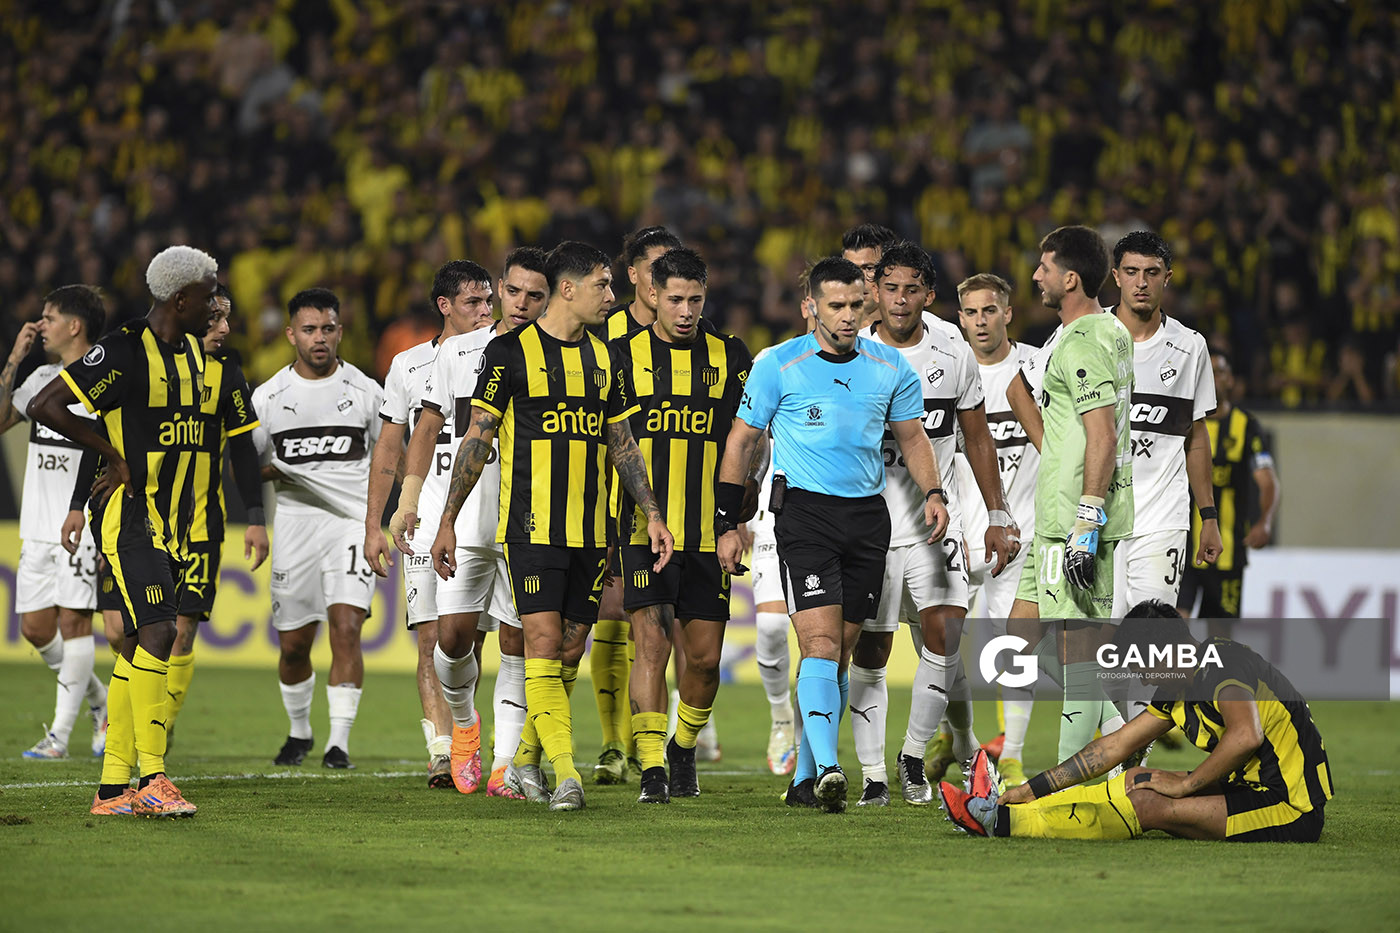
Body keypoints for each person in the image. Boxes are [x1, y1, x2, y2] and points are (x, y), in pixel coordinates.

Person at [428, 241, 674, 812]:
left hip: (590, 532)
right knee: (539, 642)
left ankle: (522, 764)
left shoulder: (604, 358)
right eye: (602, 285)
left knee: (567, 652)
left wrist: (652, 514)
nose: (612, 297)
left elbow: (622, 443)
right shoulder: (509, 354)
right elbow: (477, 439)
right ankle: (567, 776)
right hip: (531, 528)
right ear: (569, 289)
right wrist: (447, 522)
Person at [715, 256, 950, 814]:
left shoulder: (889, 365)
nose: (848, 317)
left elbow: (913, 438)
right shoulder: (778, 364)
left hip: (869, 518)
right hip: (805, 517)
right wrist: (728, 522)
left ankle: (803, 777)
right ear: (810, 308)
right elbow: (741, 441)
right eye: (835, 306)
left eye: (855, 306)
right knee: (819, 645)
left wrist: (934, 492)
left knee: (841, 653)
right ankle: (828, 767)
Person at [29, 245, 220, 817]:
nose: (214, 305)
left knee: (139, 645)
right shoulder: (122, 350)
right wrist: (110, 453)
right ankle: (154, 778)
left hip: (173, 522)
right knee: (160, 634)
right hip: (130, 517)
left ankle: (112, 789)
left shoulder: (190, 352)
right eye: (208, 294)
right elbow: (47, 404)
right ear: (180, 298)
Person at [846, 243, 1016, 808]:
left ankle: (912, 758)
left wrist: (995, 513)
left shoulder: (953, 349)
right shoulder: (852, 349)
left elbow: (976, 436)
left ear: (929, 294)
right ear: (875, 292)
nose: (898, 300)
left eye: (910, 289)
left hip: (933, 522)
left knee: (945, 635)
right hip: (867, 524)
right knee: (870, 652)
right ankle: (871, 773)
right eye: (889, 288)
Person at [940, 600, 1333, 843]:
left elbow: (1246, 735)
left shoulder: (1223, 666)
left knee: (1146, 804)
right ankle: (1009, 810)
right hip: (1246, 787)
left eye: (1142, 666)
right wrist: (1033, 788)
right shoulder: (1180, 685)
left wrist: (1188, 783)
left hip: (1288, 806)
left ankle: (1003, 825)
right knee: (1133, 780)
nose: (1142, 678)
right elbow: (1113, 747)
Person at [390, 248, 550, 800]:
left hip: (534, 521)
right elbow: (427, 428)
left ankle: (504, 765)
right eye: (514, 293)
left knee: (517, 641)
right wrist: (411, 502)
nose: (523, 305)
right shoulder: (459, 353)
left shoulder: (563, 357)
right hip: (470, 518)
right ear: (501, 290)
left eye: (537, 295)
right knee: (453, 640)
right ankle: (464, 726)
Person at [611, 247, 754, 803]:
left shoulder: (730, 355)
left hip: (709, 531)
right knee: (650, 645)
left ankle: (683, 747)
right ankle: (651, 768)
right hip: (646, 528)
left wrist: (739, 515)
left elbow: (751, 439)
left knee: (705, 659)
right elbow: (615, 445)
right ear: (652, 295)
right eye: (675, 299)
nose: (687, 310)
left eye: (696, 299)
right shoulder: (621, 355)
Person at [363, 260, 496, 790]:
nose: (485, 311)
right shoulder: (408, 365)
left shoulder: (503, 356)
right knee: (430, 638)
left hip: (480, 516)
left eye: (489, 302)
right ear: (444, 305)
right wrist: (377, 522)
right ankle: (442, 751)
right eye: (473, 303)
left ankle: (467, 733)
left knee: (468, 642)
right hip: (425, 518)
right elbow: (390, 446)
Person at [253, 288, 384, 770]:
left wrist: (380, 521)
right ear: (291, 334)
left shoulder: (367, 392)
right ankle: (300, 731)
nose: (319, 338)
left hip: (351, 526)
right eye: (309, 329)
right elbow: (248, 463)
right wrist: (268, 480)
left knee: (347, 628)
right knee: (293, 645)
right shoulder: (268, 397)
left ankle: (339, 745)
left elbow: (388, 457)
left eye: (328, 328)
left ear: (340, 331)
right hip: (294, 523)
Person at [1025, 225, 1134, 762]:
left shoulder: (1085, 340)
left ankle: (1059, 786)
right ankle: (1121, 740)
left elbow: (1102, 433)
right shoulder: (1102, 332)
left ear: (1070, 278)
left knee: (1078, 657)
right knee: (1022, 633)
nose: (1035, 276)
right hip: (1056, 515)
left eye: (1044, 268)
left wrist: (1087, 518)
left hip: (1075, 518)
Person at [591, 225, 689, 782]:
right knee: (610, 612)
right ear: (634, 275)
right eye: (655, 269)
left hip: (677, 506)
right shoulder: (605, 335)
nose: (664, 283)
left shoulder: (693, 336)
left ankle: (645, 742)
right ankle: (613, 745)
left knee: (659, 627)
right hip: (610, 500)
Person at [2, 286, 108, 759]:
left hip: (80, 523)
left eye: (48, 318)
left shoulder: (105, 379)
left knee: (74, 621)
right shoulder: (43, 376)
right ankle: (101, 702)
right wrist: (13, 360)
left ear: (74, 326)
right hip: (37, 524)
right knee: (37, 631)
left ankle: (59, 738)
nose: (39, 325)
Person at [160, 284, 268, 748]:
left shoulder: (227, 375)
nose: (224, 328)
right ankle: (131, 716)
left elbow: (243, 452)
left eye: (227, 319)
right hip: (144, 523)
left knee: (183, 630)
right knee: (141, 631)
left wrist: (257, 518)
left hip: (204, 524)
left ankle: (158, 728)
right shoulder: (152, 366)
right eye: (215, 319)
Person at [953, 272, 1040, 787]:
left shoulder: (1036, 368)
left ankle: (1013, 756)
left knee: (1014, 647)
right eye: (970, 312)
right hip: (958, 537)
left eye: (989, 311)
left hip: (1019, 532)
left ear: (1007, 313)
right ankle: (959, 739)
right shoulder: (947, 370)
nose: (980, 321)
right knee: (940, 644)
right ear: (959, 316)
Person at [1108, 232, 1222, 624]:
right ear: (1115, 276)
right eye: (1132, 271)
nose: (1141, 282)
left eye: (1151, 272)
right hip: (1095, 518)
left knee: (1151, 643)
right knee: (1097, 646)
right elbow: (1022, 393)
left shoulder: (1191, 347)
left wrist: (1208, 516)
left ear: (1167, 277)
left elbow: (1197, 438)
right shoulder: (1085, 337)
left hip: (1162, 520)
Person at [1177, 351, 1280, 637]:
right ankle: (1175, 680)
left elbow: (1268, 481)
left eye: (1219, 371)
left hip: (1229, 551)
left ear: (1230, 379)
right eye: (1206, 372)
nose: (1213, 378)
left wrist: (1265, 522)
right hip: (1183, 545)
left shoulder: (1246, 426)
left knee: (1219, 638)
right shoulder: (1184, 423)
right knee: (1174, 623)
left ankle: (1209, 680)